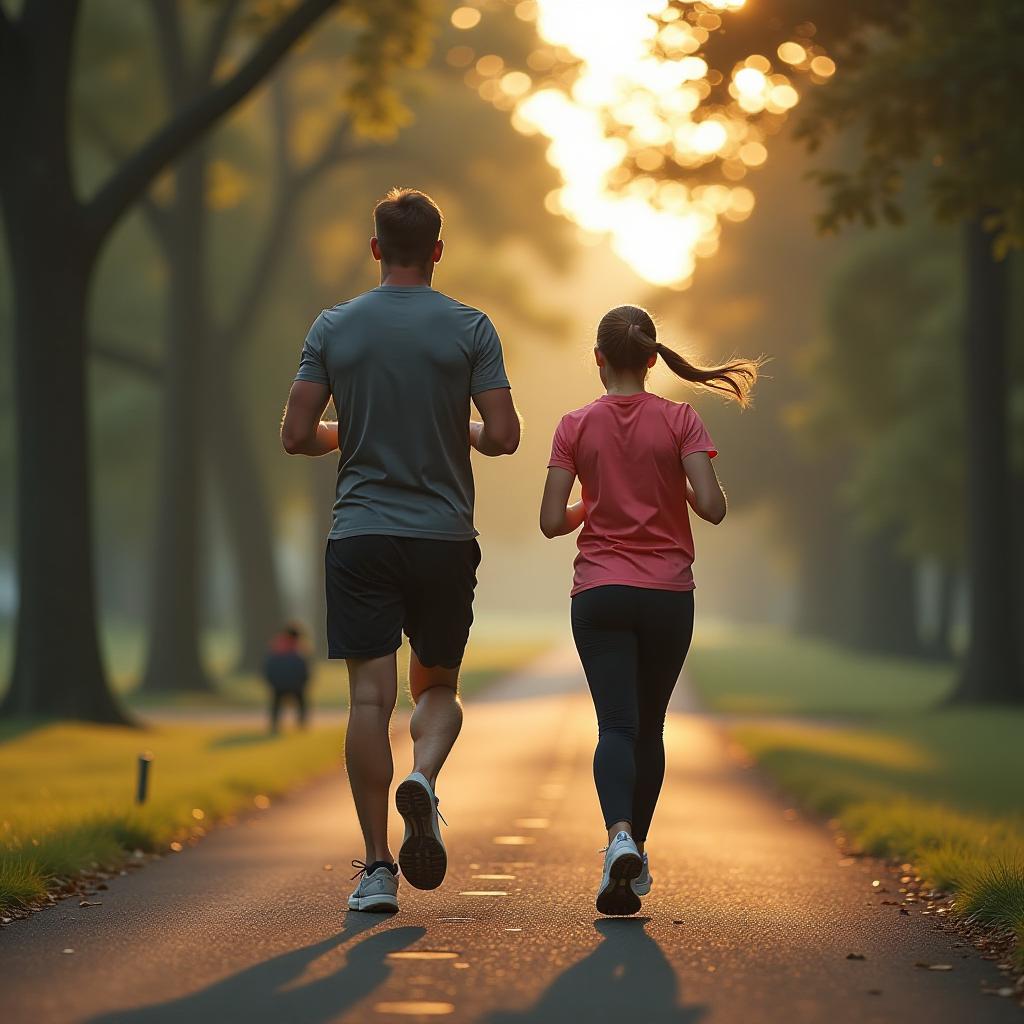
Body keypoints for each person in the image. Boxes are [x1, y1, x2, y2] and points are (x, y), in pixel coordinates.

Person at [280, 188, 520, 914]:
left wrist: (345, 435)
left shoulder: (334, 327)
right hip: (443, 537)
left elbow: (295, 434)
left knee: (367, 698)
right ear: (439, 251)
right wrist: (460, 431)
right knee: (437, 690)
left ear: (376, 247)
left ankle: (378, 869)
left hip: (361, 535)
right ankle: (424, 773)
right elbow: (504, 435)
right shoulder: (471, 328)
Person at [539, 304, 759, 916]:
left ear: (599, 360)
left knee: (617, 726)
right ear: (653, 359)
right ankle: (631, 858)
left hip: (601, 594)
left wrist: (595, 501)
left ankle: (618, 839)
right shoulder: (682, 420)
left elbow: (551, 522)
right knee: (651, 727)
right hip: (667, 595)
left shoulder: (574, 424)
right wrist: (675, 485)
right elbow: (712, 508)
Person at [263, 624, 311, 733]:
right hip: (294, 685)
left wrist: (271, 681)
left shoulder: (276, 647)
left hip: (279, 684)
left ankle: (275, 725)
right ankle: (301, 724)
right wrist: (303, 682)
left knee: (276, 704)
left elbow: (268, 667)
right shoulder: (298, 650)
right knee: (300, 702)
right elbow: (304, 670)